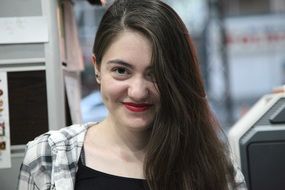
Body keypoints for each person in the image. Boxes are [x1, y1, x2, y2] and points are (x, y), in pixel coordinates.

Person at [18, 0, 247, 189]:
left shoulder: (214, 163)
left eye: (155, 74)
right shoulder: (48, 157)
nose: (138, 92)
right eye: (121, 71)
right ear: (97, 68)